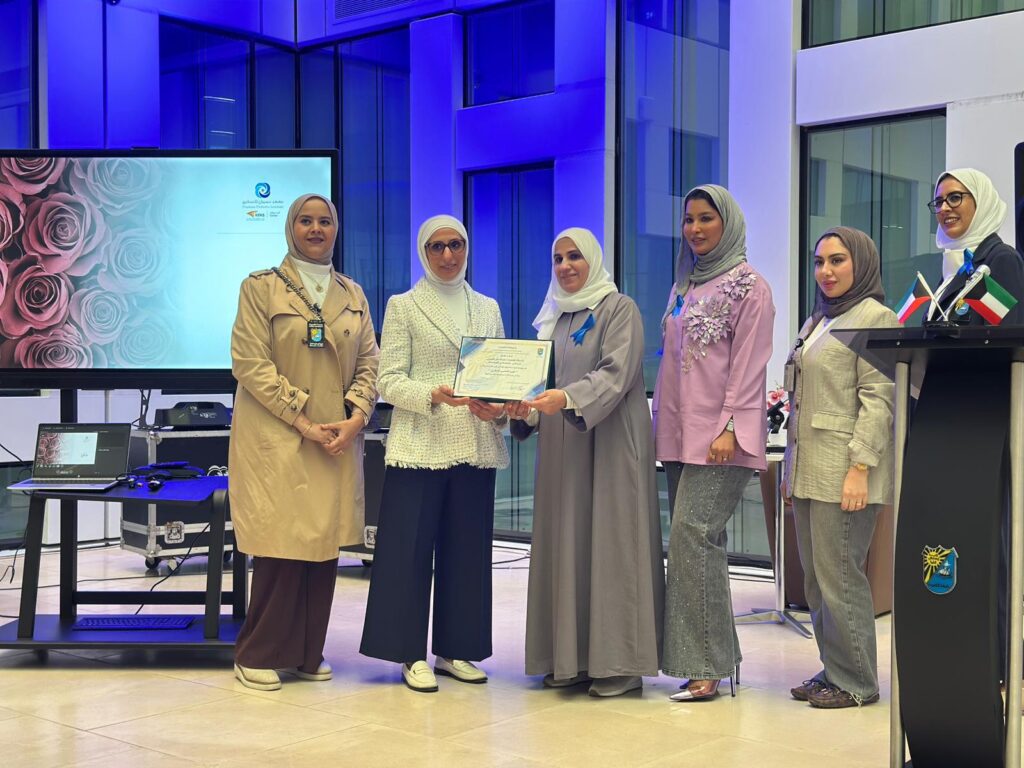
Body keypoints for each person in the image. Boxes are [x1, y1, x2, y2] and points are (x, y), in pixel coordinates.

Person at [228, 193, 379, 691]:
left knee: (321, 546)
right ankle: (257, 653)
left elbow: (370, 364)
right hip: (280, 437)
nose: (316, 229)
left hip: (334, 437)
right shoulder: (261, 288)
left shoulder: (353, 294)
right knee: (281, 547)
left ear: (336, 229)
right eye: (306, 221)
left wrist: (355, 417)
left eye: (325, 221)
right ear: (291, 229)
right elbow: (249, 363)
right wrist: (303, 418)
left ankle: (306, 653)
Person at [506, 228, 664, 698]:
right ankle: (569, 658)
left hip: (611, 445)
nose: (565, 266)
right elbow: (541, 388)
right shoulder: (555, 320)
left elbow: (617, 373)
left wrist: (565, 398)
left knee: (613, 546)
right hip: (564, 451)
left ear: (593, 260)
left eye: (574, 256)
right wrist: (524, 410)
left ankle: (621, 663)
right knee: (567, 546)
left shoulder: (619, 309)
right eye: (557, 258)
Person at [359, 214, 509, 693]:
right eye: (437, 247)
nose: (447, 255)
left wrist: (499, 409)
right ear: (423, 252)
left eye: (456, 245)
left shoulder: (487, 307)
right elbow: (387, 380)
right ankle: (408, 653)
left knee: (468, 552)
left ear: (466, 248)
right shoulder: (403, 306)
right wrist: (431, 394)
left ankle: (456, 649)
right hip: (420, 443)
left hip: (475, 443)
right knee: (406, 551)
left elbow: (500, 375)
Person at [653, 184, 774, 701]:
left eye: (706, 218)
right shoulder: (684, 284)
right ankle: (720, 660)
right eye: (689, 219)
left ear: (728, 223)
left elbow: (750, 365)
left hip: (722, 437)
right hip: (679, 434)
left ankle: (704, 666)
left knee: (692, 537)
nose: (695, 228)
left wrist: (728, 427)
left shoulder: (751, 287)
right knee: (703, 544)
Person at [783, 226, 897, 708]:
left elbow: (879, 399)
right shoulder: (819, 320)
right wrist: (789, 470)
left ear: (861, 263)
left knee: (840, 579)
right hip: (809, 469)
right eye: (819, 262)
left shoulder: (877, 318)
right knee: (816, 582)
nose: (825, 271)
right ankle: (834, 669)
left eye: (837, 261)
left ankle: (857, 682)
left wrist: (860, 467)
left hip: (845, 471)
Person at [925, 168, 1024, 325]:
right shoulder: (951, 264)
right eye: (938, 202)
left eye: (955, 198)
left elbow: (1003, 335)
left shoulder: (1002, 259)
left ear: (981, 201)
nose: (943, 208)